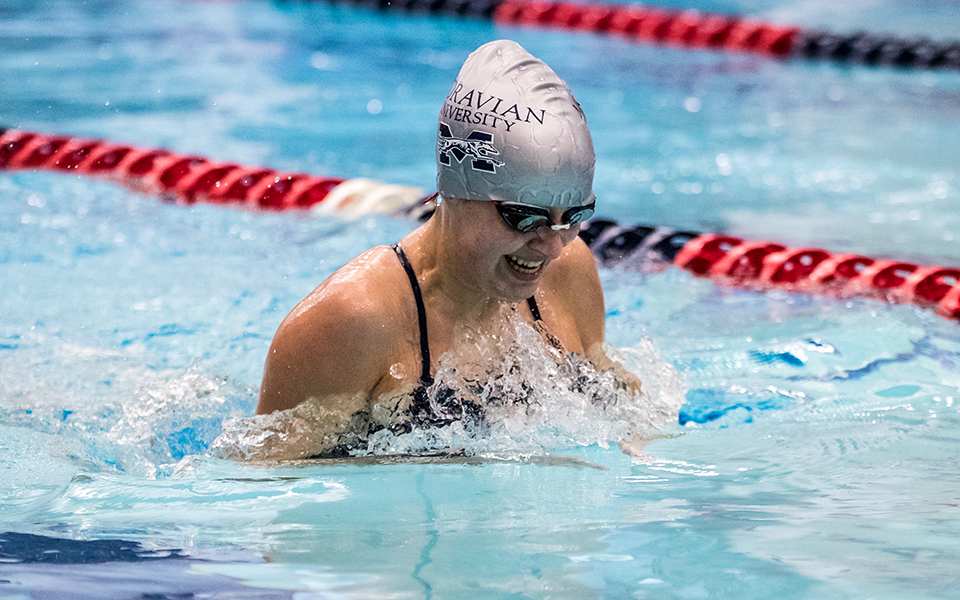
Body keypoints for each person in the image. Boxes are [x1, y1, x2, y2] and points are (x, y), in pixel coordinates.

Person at [254, 39, 641, 458]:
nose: (551, 245)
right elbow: (263, 485)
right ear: (456, 191)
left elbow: (615, 395)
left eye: (573, 217)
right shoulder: (354, 320)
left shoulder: (567, 271)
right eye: (524, 217)